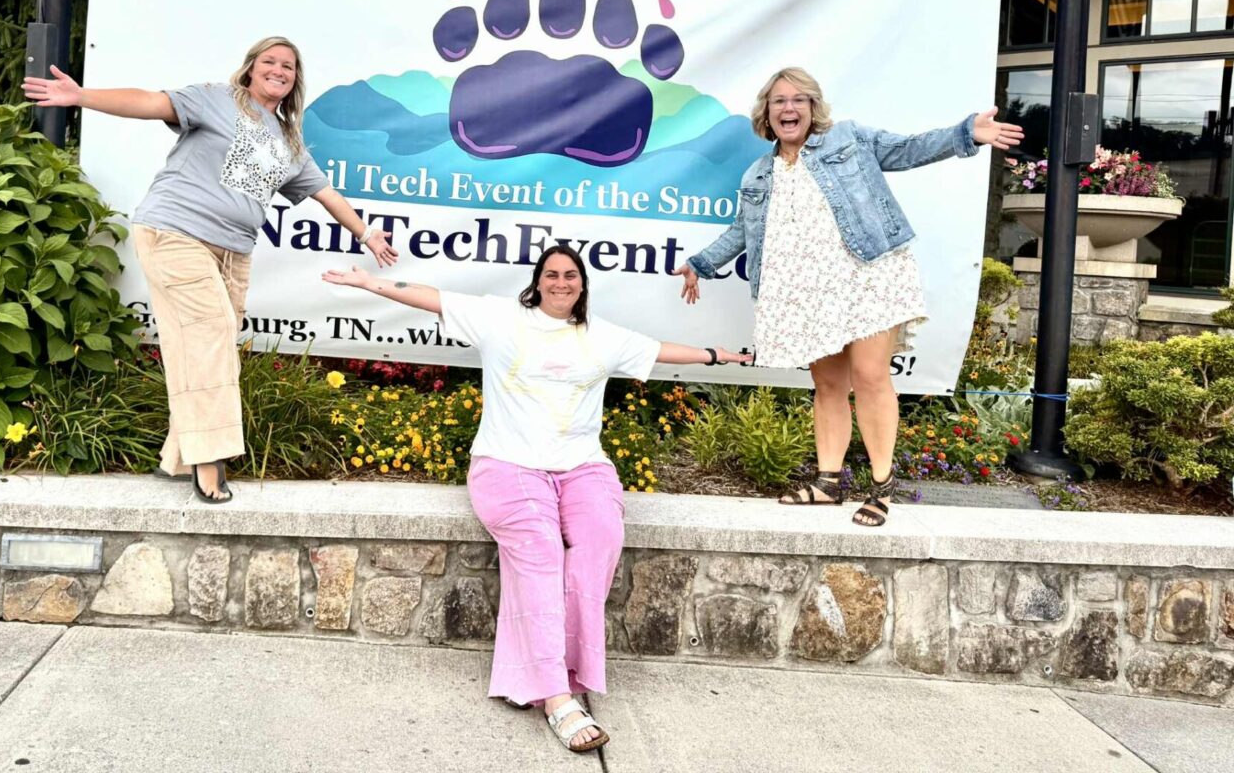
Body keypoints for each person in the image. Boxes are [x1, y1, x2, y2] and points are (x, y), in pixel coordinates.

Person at [322, 246, 749, 754]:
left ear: (582, 285)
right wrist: (370, 283)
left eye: (571, 276)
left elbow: (658, 349)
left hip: (582, 467)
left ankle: (569, 667)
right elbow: (432, 298)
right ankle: (554, 696)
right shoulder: (501, 318)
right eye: (552, 275)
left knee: (601, 538)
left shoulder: (600, 336)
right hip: (507, 465)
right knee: (541, 549)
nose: (562, 283)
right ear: (538, 280)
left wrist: (716, 355)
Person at [23, 36, 398, 503]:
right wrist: (82, 97)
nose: (279, 69)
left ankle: (177, 456)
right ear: (250, 67)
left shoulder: (288, 140)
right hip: (176, 231)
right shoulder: (215, 99)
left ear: (295, 79)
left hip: (233, 253)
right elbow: (148, 102)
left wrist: (367, 235)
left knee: (209, 343)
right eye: (270, 61)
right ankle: (210, 460)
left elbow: (325, 193)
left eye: (289, 65)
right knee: (210, 332)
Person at [675, 67, 1023, 527]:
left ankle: (881, 488)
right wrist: (699, 263)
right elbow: (742, 230)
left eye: (798, 99)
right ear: (766, 113)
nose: (789, 108)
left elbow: (907, 150)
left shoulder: (848, 140)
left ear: (813, 108)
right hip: (808, 291)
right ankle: (829, 482)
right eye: (779, 101)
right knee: (829, 385)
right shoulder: (759, 173)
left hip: (869, 274)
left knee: (870, 374)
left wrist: (967, 133)